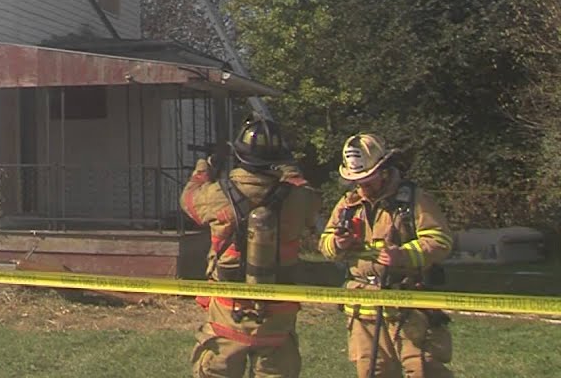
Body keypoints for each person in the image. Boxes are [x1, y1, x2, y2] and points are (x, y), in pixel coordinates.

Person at [180, 117, 323, 377]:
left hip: (227, 312)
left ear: (238, 153)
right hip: (277, 317)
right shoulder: (299, 198)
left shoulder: (215, 194)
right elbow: (312, 200)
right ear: (279, 157)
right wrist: (291, 171)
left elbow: (188, 199)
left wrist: (205, 167)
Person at [319, 133, 456, 378]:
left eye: (367, 180)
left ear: (383, 170)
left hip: (410, 307)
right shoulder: (348, 205)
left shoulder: (414, 200)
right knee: (373, 371)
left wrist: (403, 255)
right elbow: (324, 245)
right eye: (357, 181)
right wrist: (339, 243)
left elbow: (441, 240)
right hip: (364, 311)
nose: (362, 187)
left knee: (423, 370)